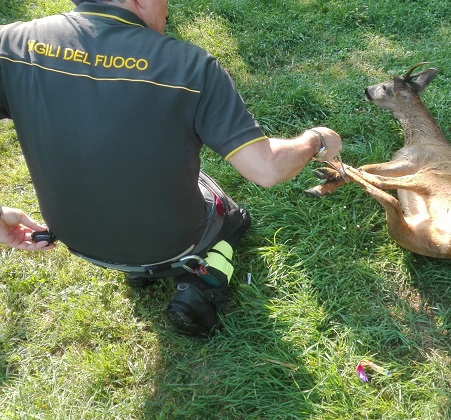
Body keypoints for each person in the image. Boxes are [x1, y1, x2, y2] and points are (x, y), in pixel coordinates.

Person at [0, 0, 342, 336]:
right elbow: (266, 169)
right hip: (173, 244)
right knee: (232, 214)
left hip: (73, 239)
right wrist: (316, 140)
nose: (168, 10)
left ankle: (140, 271)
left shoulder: (10, 44)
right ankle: (199, 278)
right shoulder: (190, 66)